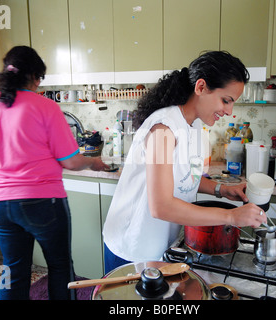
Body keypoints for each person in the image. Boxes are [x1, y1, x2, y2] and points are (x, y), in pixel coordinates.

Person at [102, 51, 267, 273]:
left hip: (160, 246)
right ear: (201, 87)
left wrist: (222, 189)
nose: (229, 111)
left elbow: (187, 177)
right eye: (226, 100)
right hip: (131, 248)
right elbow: (161, 206)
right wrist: (231, 216)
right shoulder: (163, 130)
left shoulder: (196, 127)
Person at [0, 46, 109, 300]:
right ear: (34, 76)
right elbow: (71, 162)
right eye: (40, 79)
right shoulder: (46, 107)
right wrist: (94, 162)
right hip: (43, 203)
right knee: (60, 266)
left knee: (12, 272)